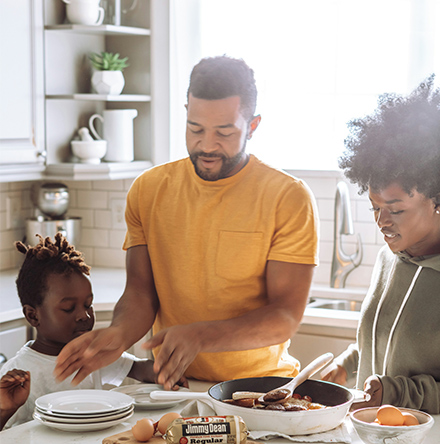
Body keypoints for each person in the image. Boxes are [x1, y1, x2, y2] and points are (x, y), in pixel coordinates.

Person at [54, 55, 319, 391]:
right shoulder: (149, 190)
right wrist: (117, 334)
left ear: (252, 126)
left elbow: (284, 316)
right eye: (196, 128)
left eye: (225, 132)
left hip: (258, 388)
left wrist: (202, 335)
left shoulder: (287, 197)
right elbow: (140, 291)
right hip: (173, 386)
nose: (207, 145)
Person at [322, 76, 440, 414]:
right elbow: (386, 339)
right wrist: (346, 366)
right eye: (375, 208)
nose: (381, 222)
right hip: (374, 440)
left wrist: (398, 393)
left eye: (396, 209)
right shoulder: (390, 259)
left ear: (436, 197)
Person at [0, 233, 186, 430]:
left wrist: (162, 372)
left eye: (88, 305)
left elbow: (137, 368)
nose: (84, 316)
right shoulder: (17, 373)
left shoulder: (91, 354)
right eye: (69, 308)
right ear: (33, 316)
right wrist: (5, 410)